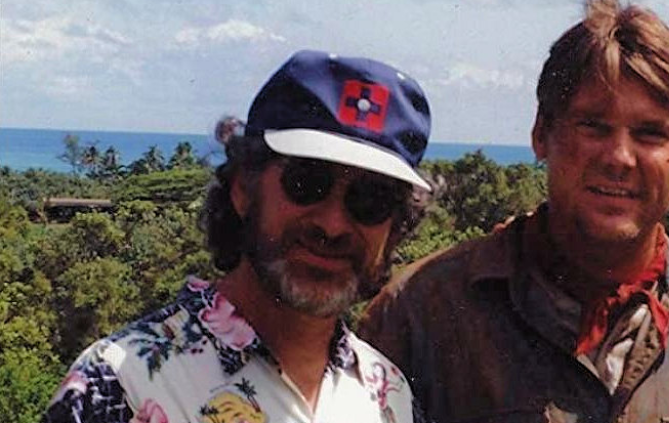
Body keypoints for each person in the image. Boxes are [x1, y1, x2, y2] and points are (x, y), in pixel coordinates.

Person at [358, 1, 669, 422]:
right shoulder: (420, 313)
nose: (620, 157)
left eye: (650, 134)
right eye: (593, 126)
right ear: (541, 134)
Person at [43, 50, 434, 423]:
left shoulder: (389, 396)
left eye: (370, 199)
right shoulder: (121, 387)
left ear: (396, 226)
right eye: (306, 182)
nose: (332, 225)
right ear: (244, 189)